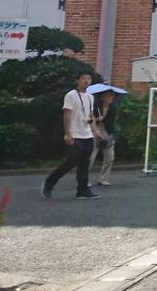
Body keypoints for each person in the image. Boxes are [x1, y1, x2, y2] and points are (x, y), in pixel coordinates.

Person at [42, 72, 102, 200]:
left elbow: (91, 116)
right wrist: (68, 133)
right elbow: (67, 115)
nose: (86, 81)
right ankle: (50, 182)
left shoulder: (90, 97)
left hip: (87, 134)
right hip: (74, 133)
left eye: (89, 78)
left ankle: (82, 190)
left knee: (85, 163)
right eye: (83, 78)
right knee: (71, 161)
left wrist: (96, 131)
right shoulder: (71, 95)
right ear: (78, 80)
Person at [88, 85, 121, 187]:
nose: (111, 98)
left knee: (110, 158)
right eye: (109, 96)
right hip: (94, 134)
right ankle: (84, 179)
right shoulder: (95, 107)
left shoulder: (113, 108)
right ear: (102, 97)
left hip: (107, 134)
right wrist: (97, 120)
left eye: (112, 96)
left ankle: (103, 178)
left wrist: (104, 119)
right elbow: (90, 119)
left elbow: (111, 122)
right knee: (90, 158)